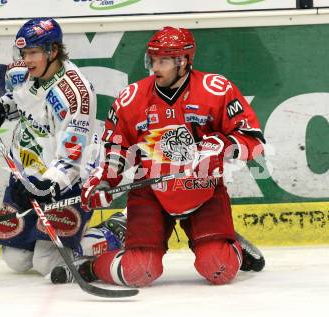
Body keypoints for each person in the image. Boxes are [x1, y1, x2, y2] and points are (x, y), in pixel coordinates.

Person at [77, 26, 266, 287]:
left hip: (203, 190)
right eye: (152, 60)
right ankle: (94, 265)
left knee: (219, 268)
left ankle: (224, 240)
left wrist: (220, 146)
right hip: (151, 193)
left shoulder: (216, 90)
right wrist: (104, 180)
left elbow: (254, 143)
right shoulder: (131, 98)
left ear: (184, 61)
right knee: (140, 271)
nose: (155, 67)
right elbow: (117, 148)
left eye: (162, 61)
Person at [0, 17, 121, 278]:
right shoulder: (19, 72)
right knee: (16, 260)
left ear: (53, 51)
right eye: (24, 53)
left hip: (69, 178)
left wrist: (51, 184)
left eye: (34, 53)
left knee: (47, 261)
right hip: (27, 171)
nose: (26, 59)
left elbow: (73, 158)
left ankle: (113, 231)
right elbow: (21, 102)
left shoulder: (75, 94)